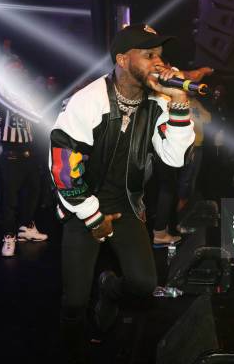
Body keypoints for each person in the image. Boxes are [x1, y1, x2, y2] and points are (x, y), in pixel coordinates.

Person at [49, 23, 194, 361]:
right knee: (73, 302)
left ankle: (109, 290)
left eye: (160, 55)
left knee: (144, 285)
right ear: (123, 60)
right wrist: (92, 216)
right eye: (149, 55)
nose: (160, 63)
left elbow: (173, 158)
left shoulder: (157, 101)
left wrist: (179, 102)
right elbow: (62, 167)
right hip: (81, 201)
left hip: (126, 203)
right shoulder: (88, 101)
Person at [0, 56, 48, 257]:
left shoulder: (26, 91)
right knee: (10, 198)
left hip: (29, 151)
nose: (18, 72)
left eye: (20, 69)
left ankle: (26, 227)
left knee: (34, 190)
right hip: (10, 153)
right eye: (13, 69)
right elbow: (21, 108)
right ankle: (9, 236)